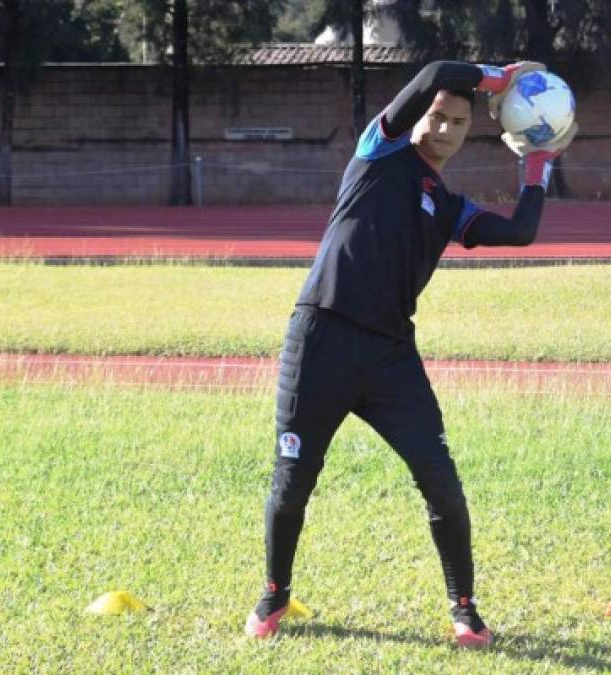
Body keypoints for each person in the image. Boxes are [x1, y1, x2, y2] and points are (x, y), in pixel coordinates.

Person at [245, 60, 577, 648]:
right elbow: (434, 73)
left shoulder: (449, 207)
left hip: (391, 356)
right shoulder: (380, 152)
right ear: (417, 117)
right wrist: (497, 78)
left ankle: (465, 612)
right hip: (320, 337)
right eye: (437, 116)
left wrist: (538, 164)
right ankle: (273, 596)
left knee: (440, 480)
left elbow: (521, 231)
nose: (445, 127)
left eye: (457, 122)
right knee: (294, 479)